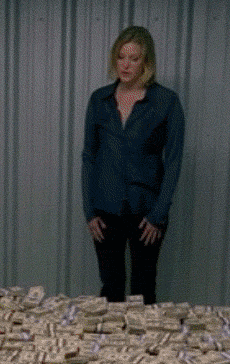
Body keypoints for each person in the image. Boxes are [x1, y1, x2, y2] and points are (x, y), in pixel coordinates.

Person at [82, 26, 185, 304]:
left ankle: (144, 335)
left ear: (146, 62)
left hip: (147, 213)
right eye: (120, 57)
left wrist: (158, 214)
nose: (125, 65)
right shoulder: (99, 100)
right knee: (111, 288)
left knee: (143, 289)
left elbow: (173, 161)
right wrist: (89, 211)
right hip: (105, 210)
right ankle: (111, 336)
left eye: (134, 58)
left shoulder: (166, 102)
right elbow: (89, 156)